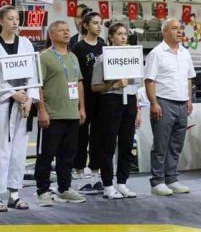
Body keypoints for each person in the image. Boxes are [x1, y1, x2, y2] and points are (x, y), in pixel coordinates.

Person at [0, 6, 39, 212]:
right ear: (0, 21)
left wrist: (29, 99)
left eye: (17, 19)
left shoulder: (25, 43)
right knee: (0, 150)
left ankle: (14, 193)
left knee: (19, 150)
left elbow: (33, 73)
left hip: (23, 104)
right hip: (3, 103)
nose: (15, 22)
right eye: (10, 19)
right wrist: (12, 94)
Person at [35, 20, 87, 206]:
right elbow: (37, 85)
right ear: (51, 35)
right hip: (53, 114)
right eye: (61, 30)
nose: (66, 33)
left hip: (72, 113)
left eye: (67, 30)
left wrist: (81, 108)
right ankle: (42, 191)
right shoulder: (44, 56)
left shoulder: (73, 57)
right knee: (47, 155)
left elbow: (79, 82)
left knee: (67, 156)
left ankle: (64, 188)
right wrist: (42, 110)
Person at [144, 18, 196, 196]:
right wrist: (154, 103)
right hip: (164, 102)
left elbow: (189, 78)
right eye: (175, 29)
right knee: (161, 144)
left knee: (176, 144)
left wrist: (189, 100)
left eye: (181, 28)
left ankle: (171, 178)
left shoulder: (185, 53)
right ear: (165, 32)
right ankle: (157, 181)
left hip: (182, 102)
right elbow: (149, 80)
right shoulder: (156, 53)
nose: (180, 31)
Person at [91, 23, 141, 199]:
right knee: (108, 144)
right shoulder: (103, 58)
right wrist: (113, 85)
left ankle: (122, 182)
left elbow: (135, 85)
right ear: (111, 37)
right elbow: (95, 86)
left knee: (127, 144)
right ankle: (107, 185)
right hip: (111, 100)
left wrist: (138, 109)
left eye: (125, 34)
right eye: (119, 34)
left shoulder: (133, 56)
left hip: (130, 100)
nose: (123, 37)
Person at [71, 11, 105, 194]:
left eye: (101, 23)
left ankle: (95, 175)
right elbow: (77, 78)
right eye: (95, 23)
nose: (99, 26)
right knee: (81, 137)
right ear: (85, 25)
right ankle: (79, 176)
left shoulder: (103, 45)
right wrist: (79, 103)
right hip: (85, 96)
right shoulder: (78, 47)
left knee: (98, 138)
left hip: (102, 97)